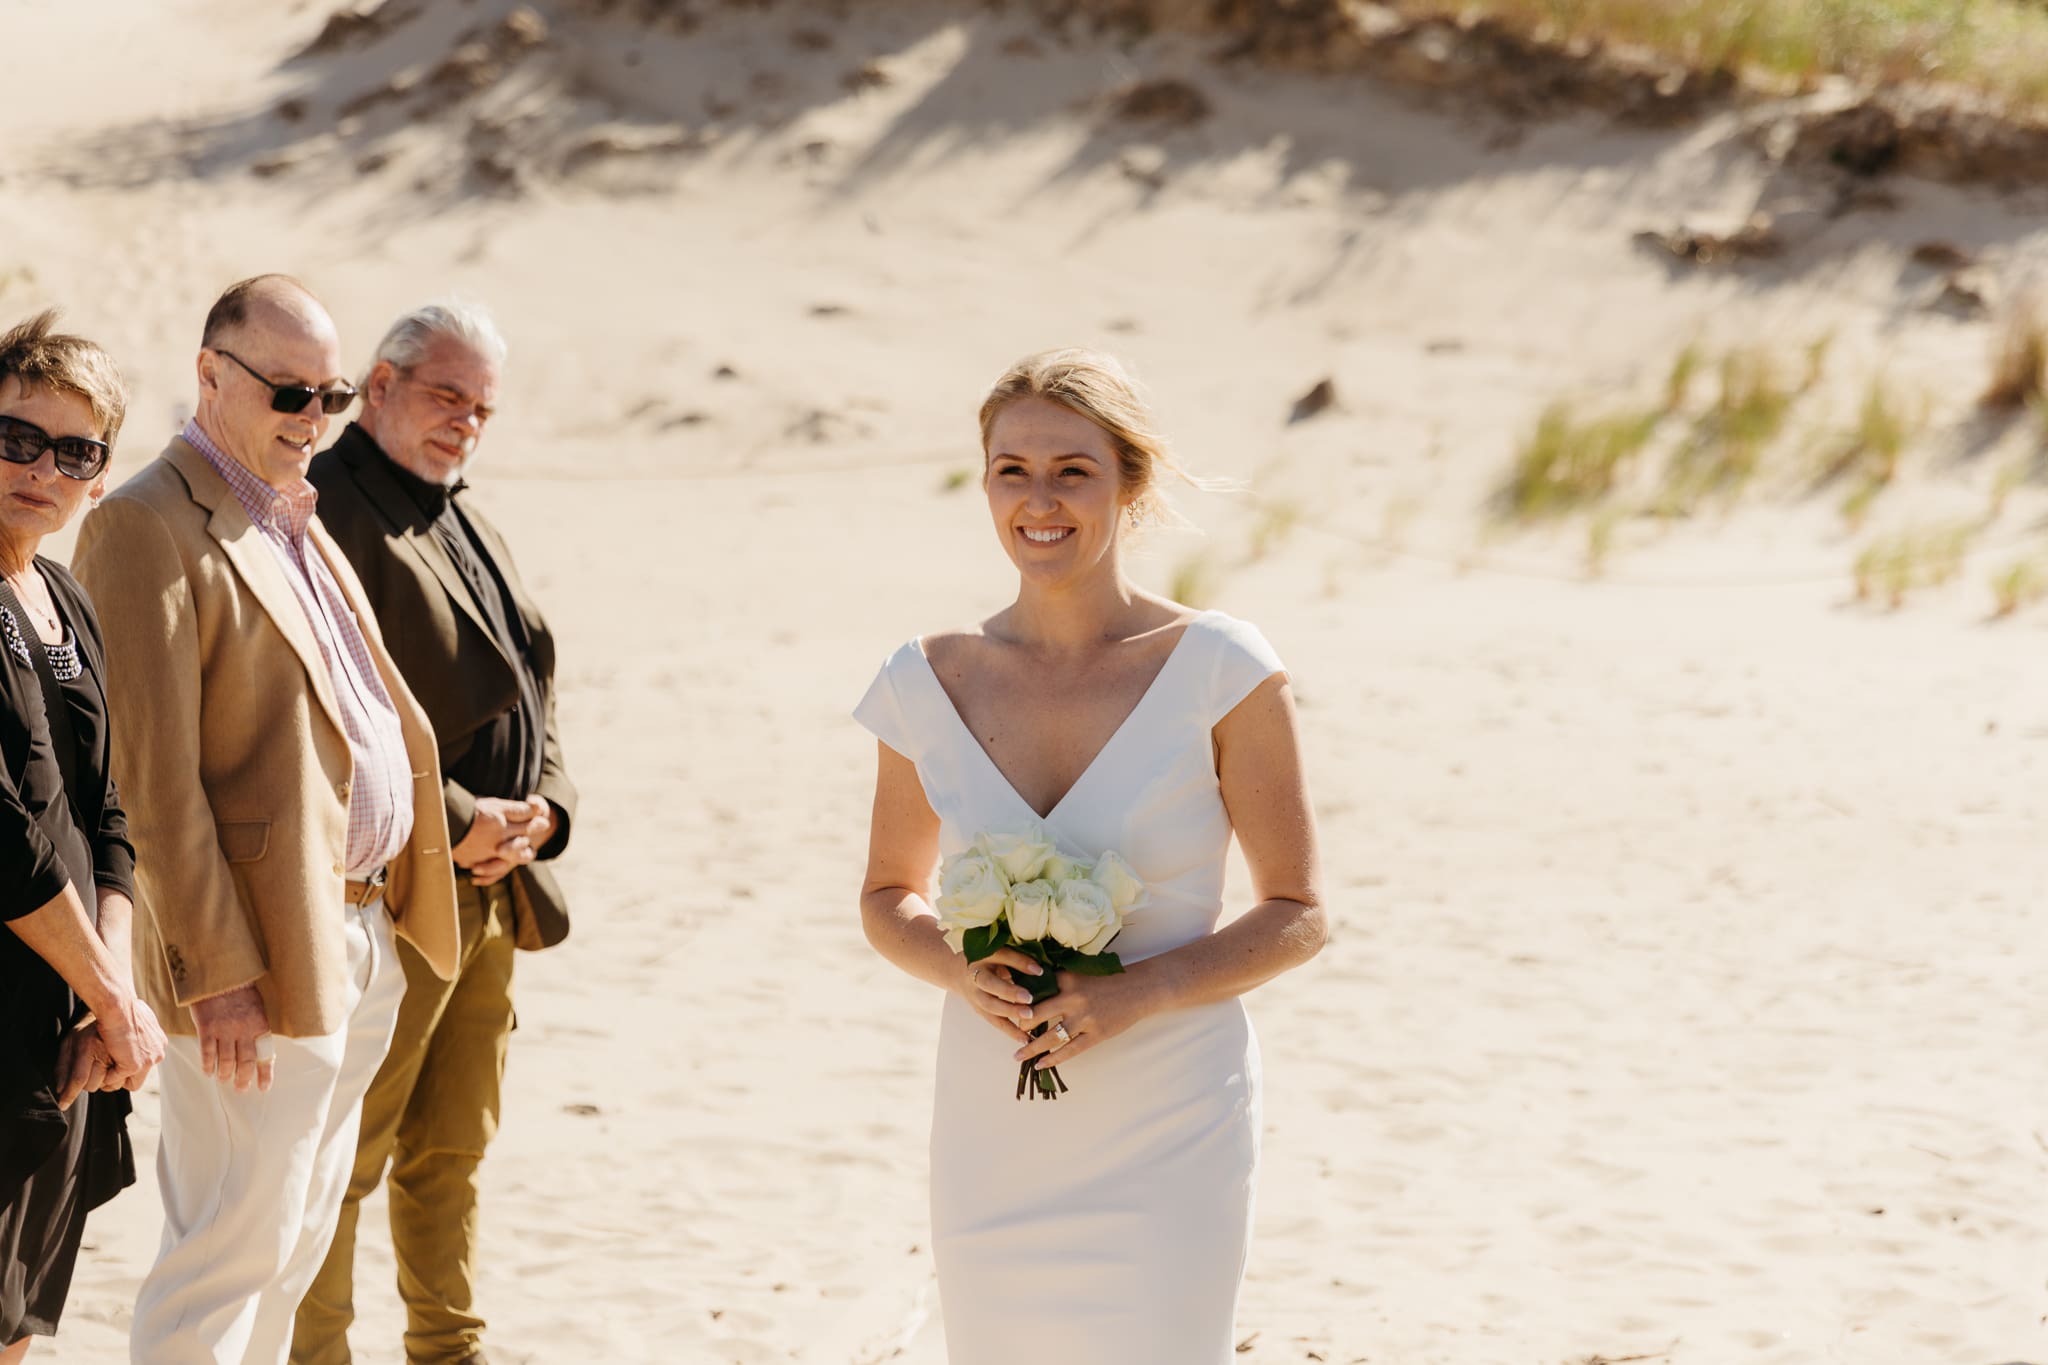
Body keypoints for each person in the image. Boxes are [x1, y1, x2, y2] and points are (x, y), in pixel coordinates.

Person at [854, 348, 1326, 1363]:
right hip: (994, 1118)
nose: (1039, 499)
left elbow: (1296, 911)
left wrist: (1136, 994)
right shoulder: (924, 678)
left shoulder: (1220, 668)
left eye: (1072, 469)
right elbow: (888, 893)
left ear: (1130, 482)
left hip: (1172, 1118)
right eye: (1009, 470)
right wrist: (955, 968)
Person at [71, 275, 459, 1365]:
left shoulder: (289, 511)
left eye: (329, 395)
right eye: (289, 392)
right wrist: (215, 973)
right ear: (209, 375)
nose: (313, 419)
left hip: (353, 938)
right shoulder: (147, 521)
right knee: (224, 1257)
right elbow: (148, 780)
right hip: (253, 961)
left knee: (287, 1244)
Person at [293, 301, 576, 1365]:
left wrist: (547, 808)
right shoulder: (329, 511)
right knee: (346, 1155)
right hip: (399, 886)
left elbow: (534, 687)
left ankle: (447, 1352)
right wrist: (456, 823)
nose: (465, 422)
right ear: (380, 385)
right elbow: (326, 714)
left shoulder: (457, 508)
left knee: (452, 1148)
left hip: (500, 883)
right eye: (446, 395)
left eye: (483, 407)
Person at [0, 311, 167, 1362]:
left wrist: (109, 1001)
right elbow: (2, 835)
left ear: (100, 475)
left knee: (22, 1319)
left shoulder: (62, 592)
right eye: (18, 437)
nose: (42, 469)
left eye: (76, 452)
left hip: (64, 1024)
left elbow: (109, 812)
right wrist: (114, 999)